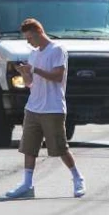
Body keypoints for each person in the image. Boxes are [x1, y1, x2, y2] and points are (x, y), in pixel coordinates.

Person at [7, 18, 85, 199]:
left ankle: (77, 177)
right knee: (29, 148)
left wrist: (34, 70)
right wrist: (25, 74)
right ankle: (27, 185)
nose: (28, 42)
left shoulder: (57, 50)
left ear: (38, 33)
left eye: (29, 38)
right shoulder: (33, 54)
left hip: (53, 107)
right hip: (33, 107)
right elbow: (30, 84)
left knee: (60, 148)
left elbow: (58, 76)